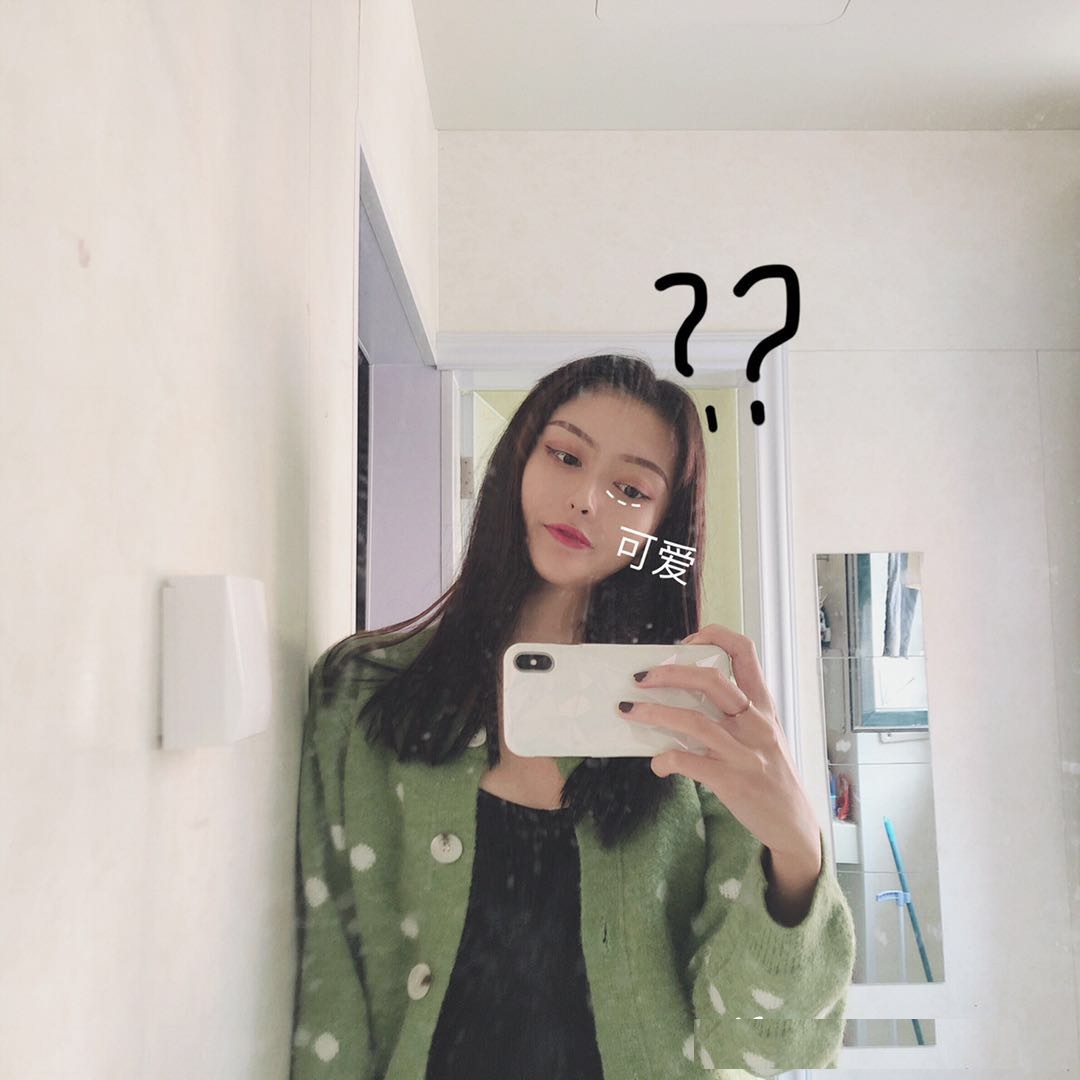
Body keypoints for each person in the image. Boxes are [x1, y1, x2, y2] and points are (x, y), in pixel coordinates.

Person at [289, 354, 857, 1080]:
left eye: (631, 489)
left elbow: (764, 1046)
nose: (587, 499)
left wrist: (797, 848)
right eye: (564, 456)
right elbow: (330, 991)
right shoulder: (364, 691)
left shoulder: (694, 725)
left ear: (660, 533)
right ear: (516, 464)